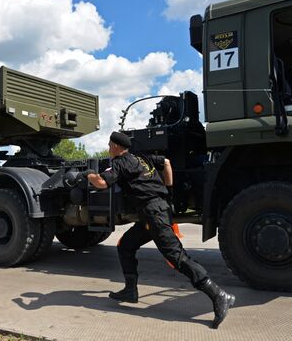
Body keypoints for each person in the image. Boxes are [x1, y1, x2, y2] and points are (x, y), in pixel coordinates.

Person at [78, 131, 235, 329]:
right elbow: (167, 163)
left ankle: (219, 295)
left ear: (117, 147)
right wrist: (168, 192)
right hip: (154, 212)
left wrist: (87, 174)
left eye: (110, 145)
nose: (109, 149)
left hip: (153, 215)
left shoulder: (120, 162)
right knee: (126, 245)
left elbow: (101, 182)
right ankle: (130, 290)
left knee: (176, 257)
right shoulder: (141, 158)